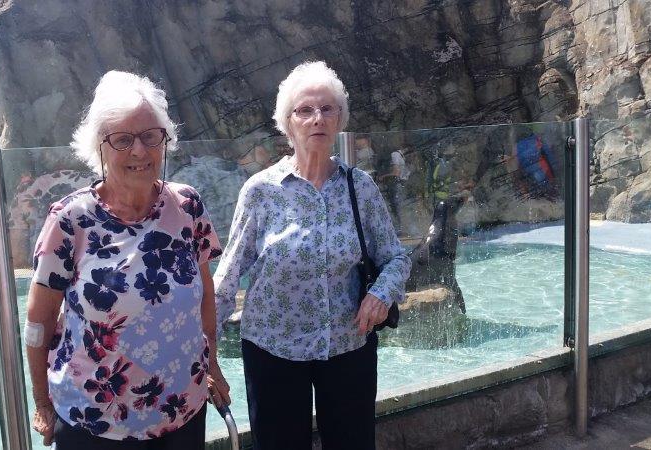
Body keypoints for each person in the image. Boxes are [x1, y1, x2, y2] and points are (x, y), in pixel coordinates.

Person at [25, 71, 231, 449]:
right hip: (94, 422)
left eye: (150, 136)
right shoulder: (70, 220)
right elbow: (38, 321)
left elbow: (204, 296)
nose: (139, 151)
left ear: (165, 140)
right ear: (99, 148)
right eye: (122, 139)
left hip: (182, 410)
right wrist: (42, 402)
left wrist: (212, 365)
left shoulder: (187, 205)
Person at [214, 61, 411, 450]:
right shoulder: (260, 191)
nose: (317, 118)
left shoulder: (360, 187)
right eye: (304, 110)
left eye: (327, 109)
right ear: (288, 123)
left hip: (347, 345)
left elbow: (396, 258)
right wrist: (206, 348)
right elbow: (229, 274)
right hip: (273, 349)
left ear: (339, 119)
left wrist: (380, 294)